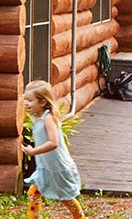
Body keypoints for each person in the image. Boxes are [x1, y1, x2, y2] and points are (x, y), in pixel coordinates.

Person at [21, 80, 86, 219]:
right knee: (34, 193)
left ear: (43, 102)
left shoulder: (48, 118)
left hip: (57, 166)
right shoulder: (36, 116)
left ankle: (80, 218)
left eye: (30, 100)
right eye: (25, 99)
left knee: (65, 197)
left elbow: (53, 143)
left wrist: (33, 151)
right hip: (46, 167)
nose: (26, 103)